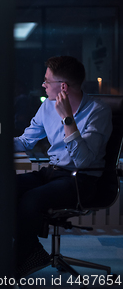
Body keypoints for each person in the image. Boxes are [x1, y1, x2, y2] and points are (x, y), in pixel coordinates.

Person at [13, 56, 112, 278]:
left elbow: (83, 161)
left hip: (81, 179)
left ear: (63, 86)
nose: (43, 85)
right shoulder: (46, 107)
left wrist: (68, 118)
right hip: (52, 172)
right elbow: (26, 141)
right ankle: (31, 250)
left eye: (47, 81)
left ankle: (20, 257)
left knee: (31, 200)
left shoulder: (98, 112)